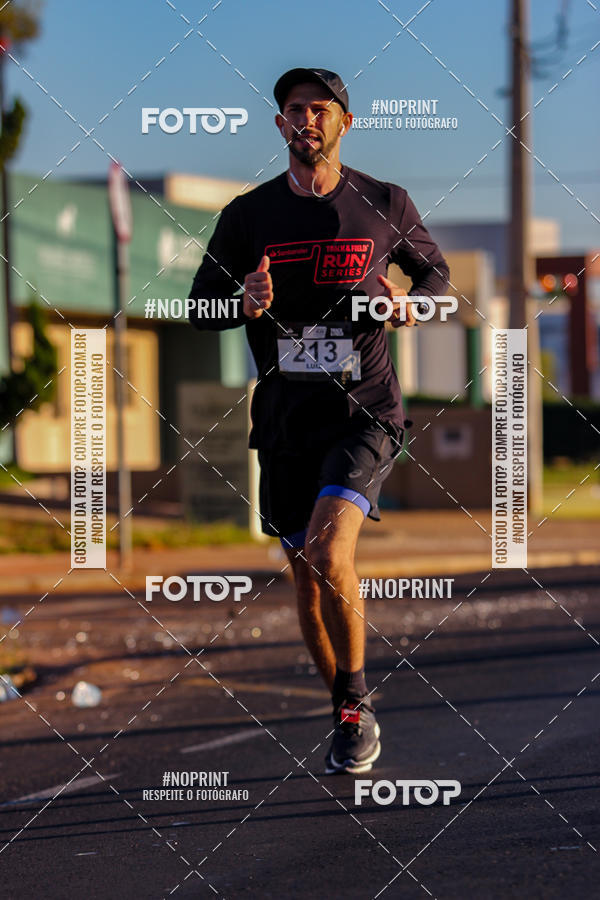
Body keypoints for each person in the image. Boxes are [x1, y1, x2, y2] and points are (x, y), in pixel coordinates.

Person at [189, 67, 449, 774]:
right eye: (294, 110)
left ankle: (357, 701)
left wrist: (408, 300)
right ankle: (342, 703)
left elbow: (438, 280)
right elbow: (197, 305)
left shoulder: (385, 203)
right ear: (280, 126)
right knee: (307, 572)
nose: (306, 120)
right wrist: (240, 298)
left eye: (320, 109)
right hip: (284, 419)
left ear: (345, 122)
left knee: (333, 553)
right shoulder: (249, 214)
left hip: (364, 410)